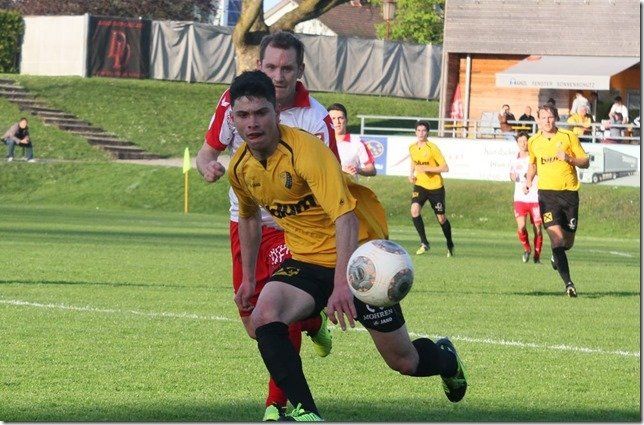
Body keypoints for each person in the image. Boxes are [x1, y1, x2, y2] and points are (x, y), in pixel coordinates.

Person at [227, 71, 467, 420]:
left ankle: (446, 359)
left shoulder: (307, 152)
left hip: (359, 260)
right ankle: (306, 412)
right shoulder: (240, 167)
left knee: (404, 361)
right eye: (243, 115)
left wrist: (342, 284)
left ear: (276, 113)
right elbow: (249, 218)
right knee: (265, 316)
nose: (252, 123)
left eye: (261, 112)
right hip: (306, 260)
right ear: (233, 119)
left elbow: (346, 218)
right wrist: (249, 279)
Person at [195, 31, 337, 421]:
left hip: (294, 227)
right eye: (271, 66)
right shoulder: (236, 101)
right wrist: (208, 167)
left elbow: (333, 187)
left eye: (287, 68)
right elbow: (206, 153)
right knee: (252, 322)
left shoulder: (315, 119)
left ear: (300, 70)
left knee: (274, 312)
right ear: (260, 66)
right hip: (245, 220)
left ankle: (278, 404)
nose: (278, 75)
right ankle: (313, 318)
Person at [525, 104, 590, 297]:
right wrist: (528, 180)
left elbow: (585, 161)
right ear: (538, 120)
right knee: (557, 239)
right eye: (543, 117)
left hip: (569, 194)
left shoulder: (569, 137)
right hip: (547, 196)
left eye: (550, 117)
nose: (547, 121)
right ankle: (569, 284)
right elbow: (533, 164)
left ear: (555, 118)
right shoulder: (533, 141)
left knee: (567, 243)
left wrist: (569, 158)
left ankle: (557, 255)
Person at [408, 121, 455, 257]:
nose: (421, 133)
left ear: (427, 132)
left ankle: (450, 243)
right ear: (415, 132)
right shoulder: (412, 147)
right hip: (420, 185)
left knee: (441, 218)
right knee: (414, 210)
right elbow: (413, 161)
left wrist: (427, 168)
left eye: (424, 130)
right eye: (418, 130)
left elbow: (445, 167)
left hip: (435, 187)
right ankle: (424, 243)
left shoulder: (432, 148)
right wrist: (411, 174)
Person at [509, 132, 543, 263]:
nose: (523, 144)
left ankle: (537, 256)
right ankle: (527, 249)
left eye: (525, 141)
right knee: (521, 226)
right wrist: (513, 177)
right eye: (520, 141)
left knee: (538, 229)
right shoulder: (514, 159)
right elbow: (511, 174)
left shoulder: (534, 157)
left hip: (534, 198)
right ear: (517, 143)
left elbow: (538, 171)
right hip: (520, 198)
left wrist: (529, 176)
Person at [327, 103, 376, 178]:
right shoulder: (322, 141)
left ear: (346, 120)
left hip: (349, 185)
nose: (337, 122)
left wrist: (358, 170)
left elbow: (372, 170)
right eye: (333, 118)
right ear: (328, 121)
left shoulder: (357, 142)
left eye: (340, 118)